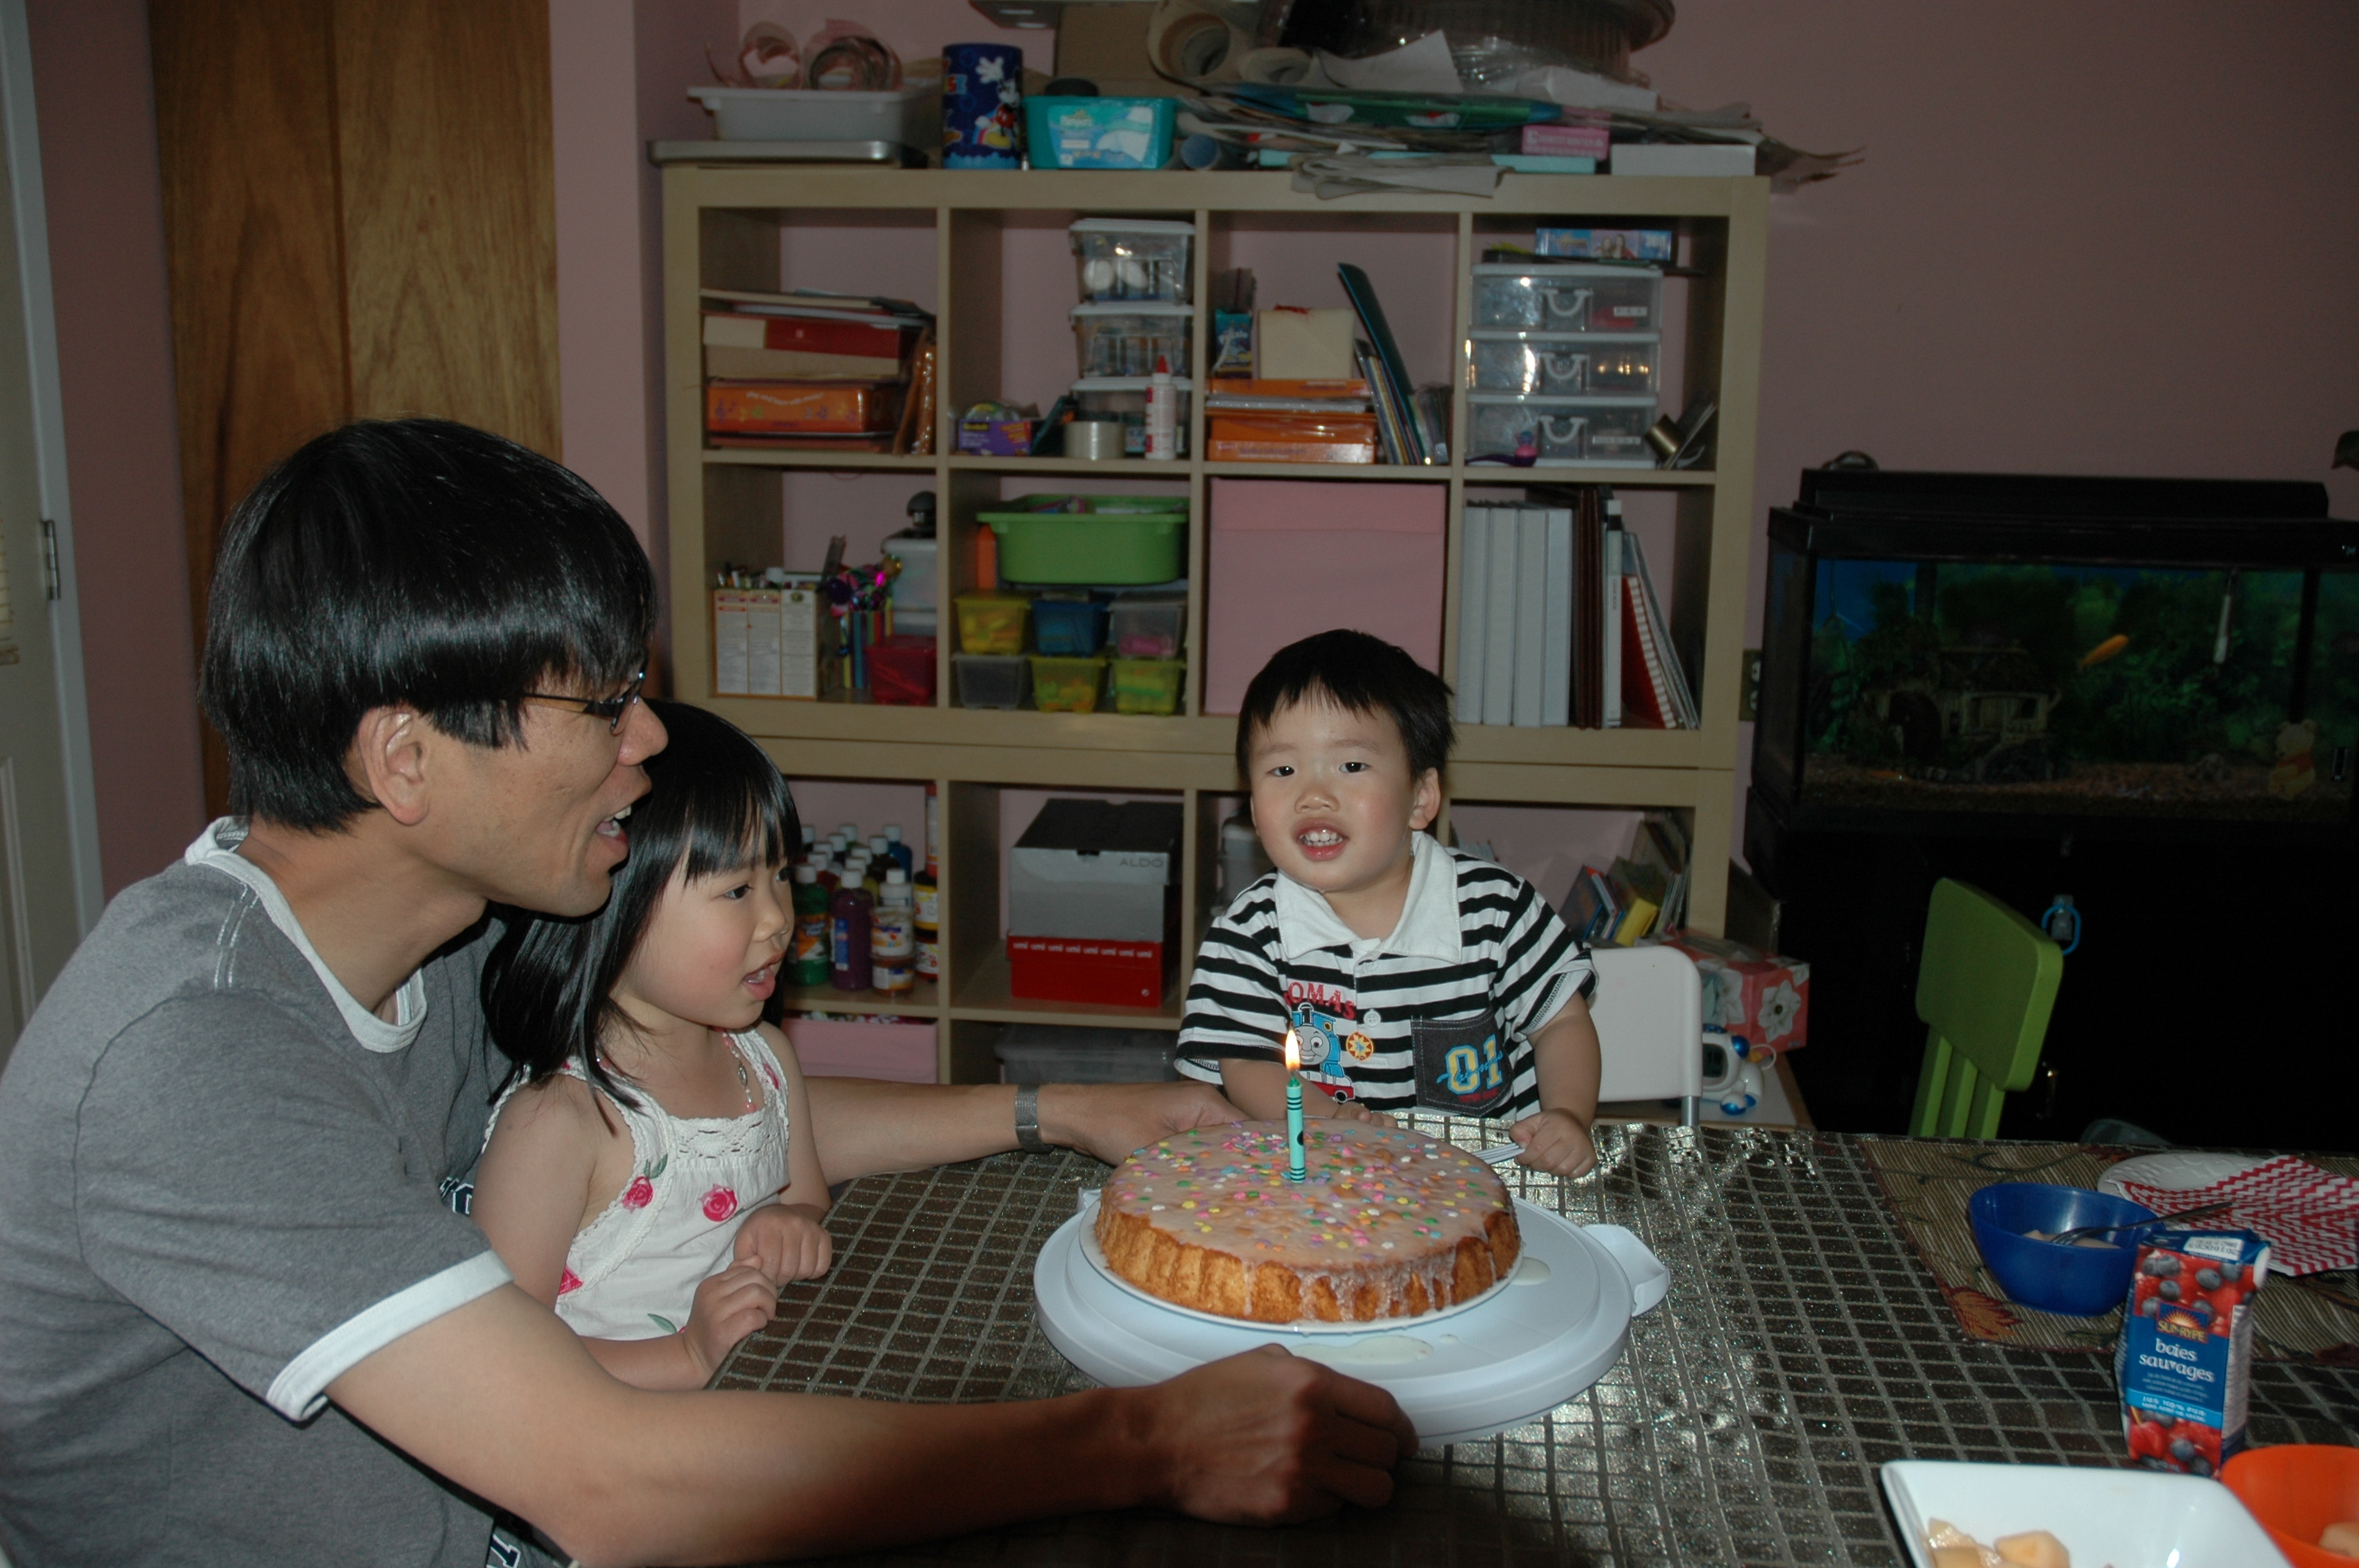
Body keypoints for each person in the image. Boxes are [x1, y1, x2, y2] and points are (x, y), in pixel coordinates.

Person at [0, 420, 1416, 1568]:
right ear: (407, 761)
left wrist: (1063, 1109)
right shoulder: (192, 1056)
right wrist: (1146, 1443)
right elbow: (610, 1483)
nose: (647, 737)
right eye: (599, 705)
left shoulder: (456, 926)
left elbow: (703, 1113)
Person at [472, 700, 833, 1390]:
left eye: (782, 876)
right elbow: (499, 1356)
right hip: (609, 1440)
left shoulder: (764, 1063)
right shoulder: (560, 1121)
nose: (777, 920)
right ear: (622, 905)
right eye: (737, 890)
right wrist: (687, 1357)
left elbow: (808, 1197)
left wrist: (794, 1224)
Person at [1176, 630, 1605, 1178]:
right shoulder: (1248, 933)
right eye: (1283, 771)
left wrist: (1568, 1114)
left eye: (1351, 766)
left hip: (1490, 1174)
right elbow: (1245, 1060)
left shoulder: (1496, 910)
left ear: (1421, 797)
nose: (1313, 795)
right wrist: (1330, 1121)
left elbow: (1561, 1023)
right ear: (1255, 810)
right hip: (1328, 1177)